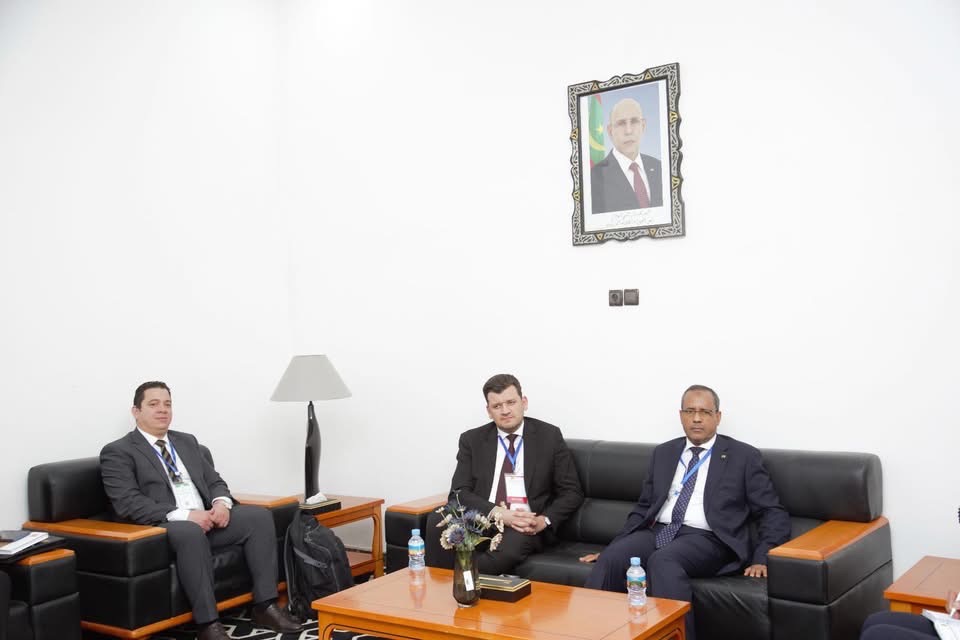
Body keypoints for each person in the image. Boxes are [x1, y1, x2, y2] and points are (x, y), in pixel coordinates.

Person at [583, 384, 790, 640]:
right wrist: (616, 545)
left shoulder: (743, 456)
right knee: (613, 558)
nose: (696, 419)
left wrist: (762, 557)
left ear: (718, 417)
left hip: (709, 538)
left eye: (705, 412)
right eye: (690, 411)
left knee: (663, 561)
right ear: (681, 415)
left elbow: (772, 511)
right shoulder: (664, 453)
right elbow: (644, 507)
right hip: (660, 530)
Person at [100, 381, 302, 640]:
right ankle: (208, 624)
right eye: (153, 404)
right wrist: (186, 515)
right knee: (190, 532)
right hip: (164, 527)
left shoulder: (186, 442)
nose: (162, 410)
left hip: (205, 519)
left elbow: (215, 481)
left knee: (258, 517)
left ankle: (265, 606)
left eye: (167, 404)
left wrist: (221, 504)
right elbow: (128, 502)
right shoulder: (118, 452)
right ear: (136, 411)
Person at [424, 374, 583, 574]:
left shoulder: (549, 436)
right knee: (436, 521)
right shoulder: (472, 440)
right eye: (497, 406)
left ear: (524, 403)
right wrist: (499, 514)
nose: (505, 411)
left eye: (511, 402)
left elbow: (571, 492)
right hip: (483, 517)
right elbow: (458, 492)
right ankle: (440, 587)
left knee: (510, 546)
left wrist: (544, 520)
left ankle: (464, 584)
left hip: (523, 524)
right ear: (489, 411)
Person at [590, 97, 664, 214]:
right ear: (610, 131)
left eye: (634, 121)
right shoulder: (594, 178)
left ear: (643, 126)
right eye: (621, 123)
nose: (628, 131)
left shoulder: (660, 168)